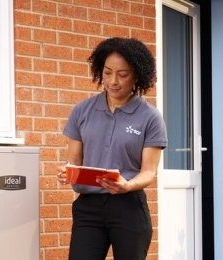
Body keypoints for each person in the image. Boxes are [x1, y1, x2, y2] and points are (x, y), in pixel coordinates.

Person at [56, 37, 168, 260]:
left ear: (136, 75)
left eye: (123, 74)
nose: (113, 81)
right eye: (107, 73)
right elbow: (75, 160)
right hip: (88, 208)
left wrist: (127, 186)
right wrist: (68, 171)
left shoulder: (150, 117)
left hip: (128, 207)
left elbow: (148, 171)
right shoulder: (82, 111)